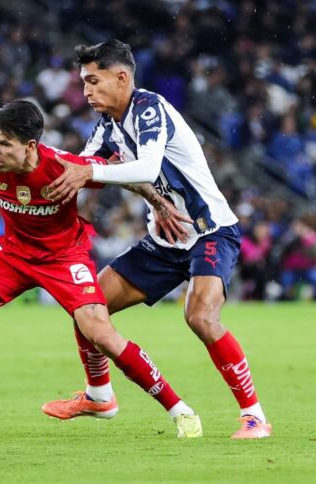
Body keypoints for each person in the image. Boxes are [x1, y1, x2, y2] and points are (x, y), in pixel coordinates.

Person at [0, 100, 203, 439]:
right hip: (13, 255)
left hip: (64, 258)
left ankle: (181, 411)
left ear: (30, 146)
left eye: (4, 143)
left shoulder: (63, 166)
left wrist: (160, 204)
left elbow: (122, 175)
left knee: (101, 334)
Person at [44, 40, 271, 439]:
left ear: (122, 77)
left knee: (199, 316)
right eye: (83, 83)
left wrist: (91, 174)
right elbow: (82, 166)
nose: (86, 92)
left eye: (93, 81)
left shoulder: (149, 108)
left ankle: (254, 416)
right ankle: (99, 396)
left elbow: (145, 167)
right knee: (88, 309)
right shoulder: (107, 127)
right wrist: (31, 162)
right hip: (165, 241)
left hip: (208, 229)